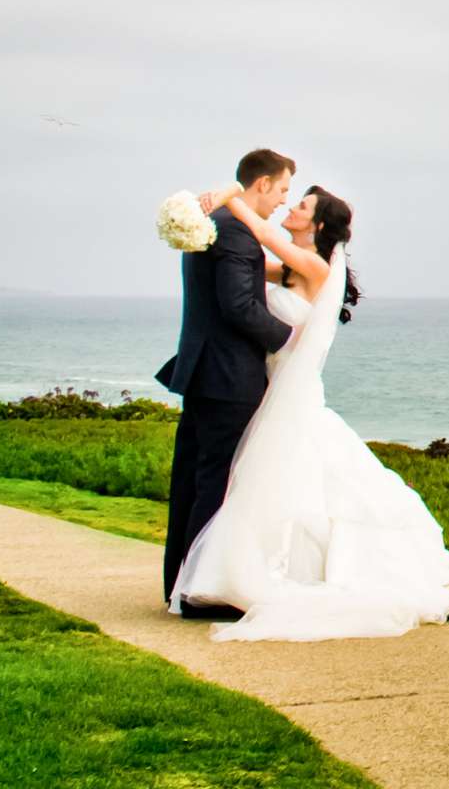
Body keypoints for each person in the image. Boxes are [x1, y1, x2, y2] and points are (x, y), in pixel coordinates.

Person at [165, 177, 449, 640]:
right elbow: (244, 268)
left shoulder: (313, 266)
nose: (290, 207)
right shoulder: (293, 267)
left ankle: (278, 572)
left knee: (292, 478)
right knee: (273, 481)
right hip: (275, 390)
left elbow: (262, 239)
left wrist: (229, 196)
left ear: (318, 223)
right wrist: (197, 234)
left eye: (300, 205)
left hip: (291, 393)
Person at [156, 147, 298, 613]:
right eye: (281, 189)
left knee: (194, 483)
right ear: (260, 184)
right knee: (217, 484)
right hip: (228, 378)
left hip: (201, 372)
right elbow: (240, 307)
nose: (281, 200)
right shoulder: (235, 232)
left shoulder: (215, 223)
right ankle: (199, 592)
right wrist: (292, 340)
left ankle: (179, 584)